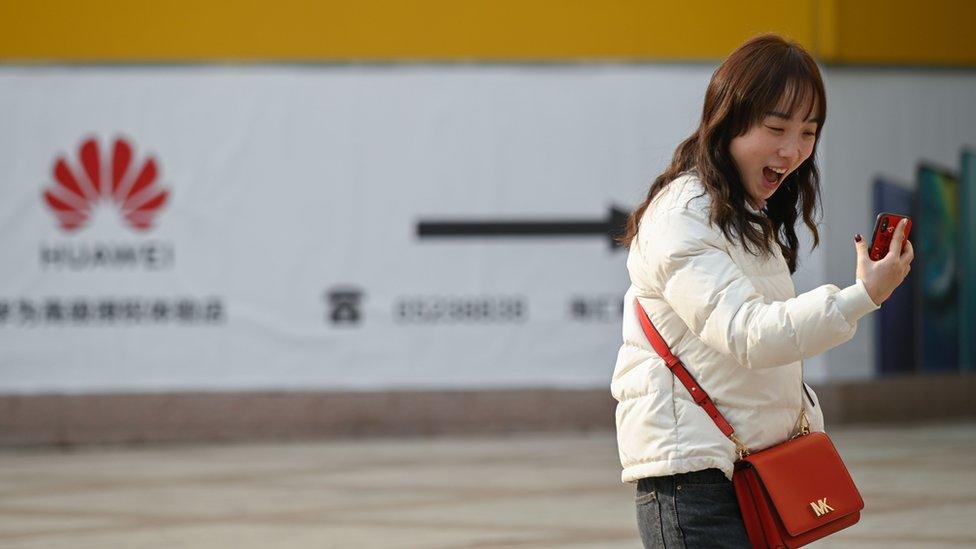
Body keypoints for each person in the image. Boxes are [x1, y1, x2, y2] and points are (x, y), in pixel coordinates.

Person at [610, 34, 913, 548]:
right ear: (728, 120)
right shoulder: (684, 215)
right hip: (694, 487)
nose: (792, 150)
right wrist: (862, 296)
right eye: (776, 128)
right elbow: (750, 335)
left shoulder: (742, 215)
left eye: (808, 132)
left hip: (744, 473)